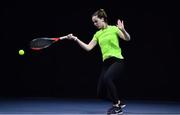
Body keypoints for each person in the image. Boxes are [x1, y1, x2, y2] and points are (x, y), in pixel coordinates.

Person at [67, 9, 131, 114]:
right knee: (100, 94)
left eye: (96, 21)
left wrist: (123, 30)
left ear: (102, 19)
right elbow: (88, 48)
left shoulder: (114, 29)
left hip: (117, 60)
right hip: (106, 63)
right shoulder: (97, 34)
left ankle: (117, 107)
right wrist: (75, 39)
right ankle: (118, 101)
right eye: (93, 22)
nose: (94, 24)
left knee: (108, 78)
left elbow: (127, 38)